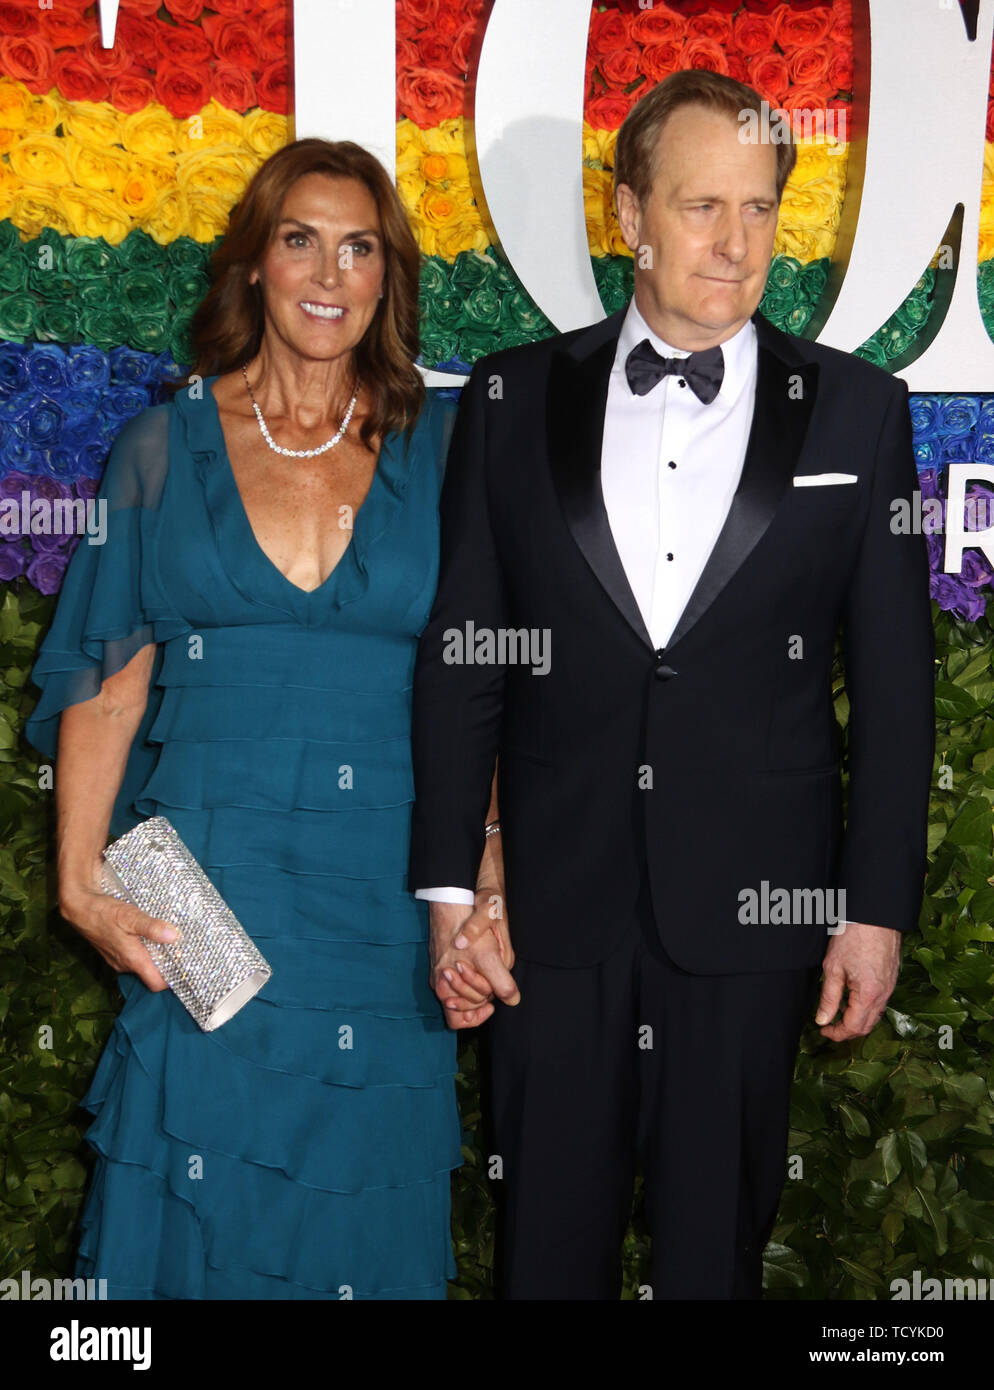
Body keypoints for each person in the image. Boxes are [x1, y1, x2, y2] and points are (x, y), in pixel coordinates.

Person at [409, 70, 935, 1299]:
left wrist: (875, 906)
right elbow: (465, 652)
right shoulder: (508, 397)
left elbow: (897, 687)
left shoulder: (858, 413)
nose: (735, 243)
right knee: (544, 1253)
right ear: (629, 213)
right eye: (702, 206)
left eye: (758, 210)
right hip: (549, 908)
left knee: (715, 1259)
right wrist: (448, 885)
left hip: (754, 912)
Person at [26, 137, 491, 1300]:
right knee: (195, 1196)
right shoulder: (159, 449)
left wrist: (484, 874)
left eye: (358, 246)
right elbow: (108, 683)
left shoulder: (446, 452)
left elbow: (486, 680)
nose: (327, 272)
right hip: (202, 888)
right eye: (299, 240)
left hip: (387, 896)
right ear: (253, 267)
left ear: (387, 278)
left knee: (360, 1197)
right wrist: (81, 882)